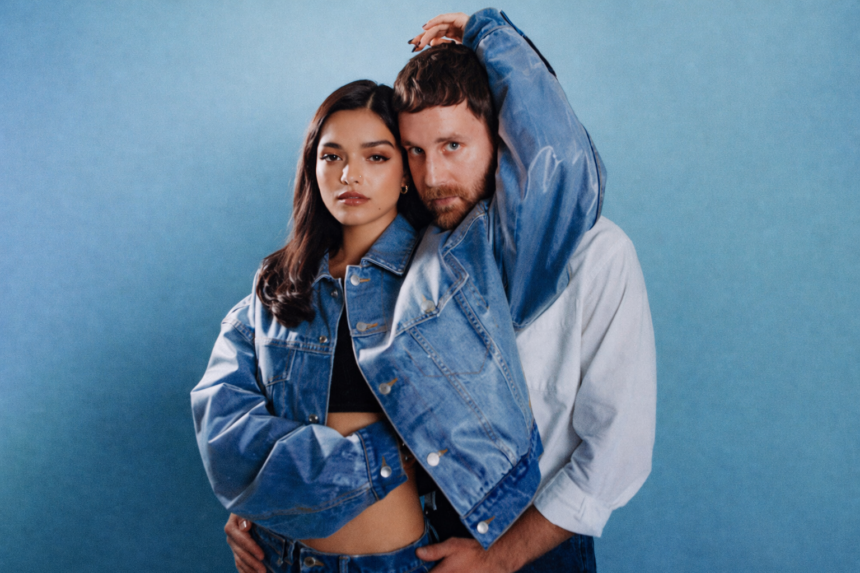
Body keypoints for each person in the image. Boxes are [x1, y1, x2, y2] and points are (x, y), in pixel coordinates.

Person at [223, 10, 655, 573]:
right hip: (426, 538)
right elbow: (321, 392)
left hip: (537, 547)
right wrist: (267, 500)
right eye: (415, 152)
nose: (432, 178)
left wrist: (499, 558)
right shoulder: (410, 253)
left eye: (453, 146)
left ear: (504, 137)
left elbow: (616, 456)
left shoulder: (597, 255)